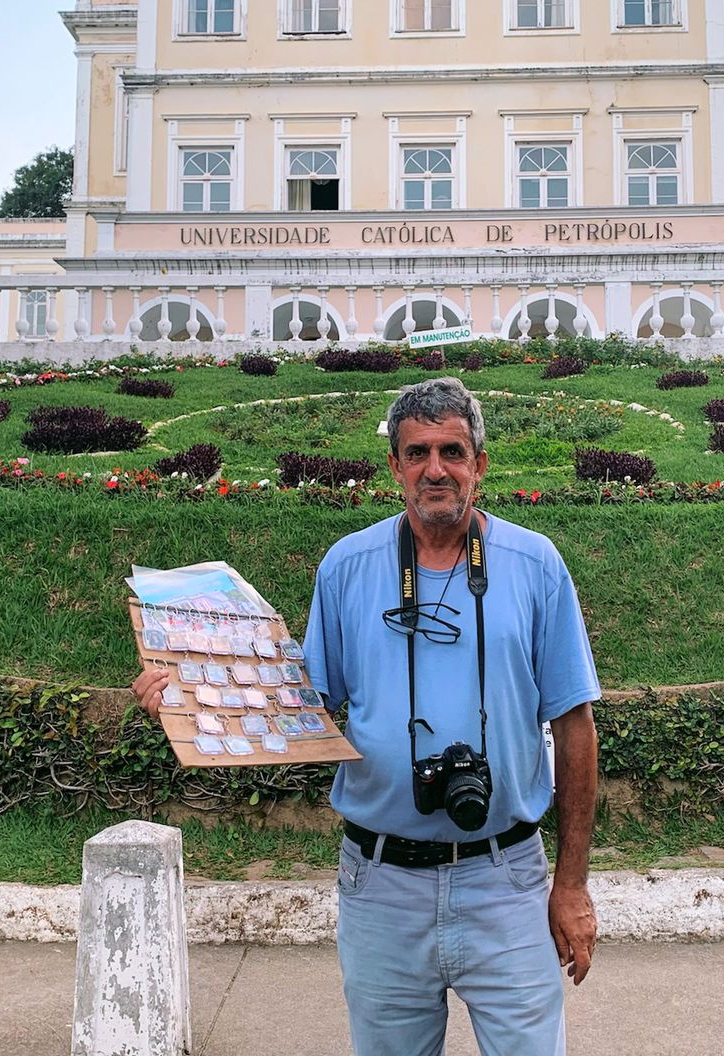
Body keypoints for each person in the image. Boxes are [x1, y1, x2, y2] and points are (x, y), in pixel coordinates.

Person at [134, 375, 601, 1056]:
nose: (435, 469)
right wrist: (189, 697)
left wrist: (573, 886)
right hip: (381, 884)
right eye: (417, 453)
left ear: (480, 464)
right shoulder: (348, 566)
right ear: (395, 467)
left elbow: (575, 727)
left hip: (506, 881)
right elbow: (303, 708)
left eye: (452, 451)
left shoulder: (535, 565)